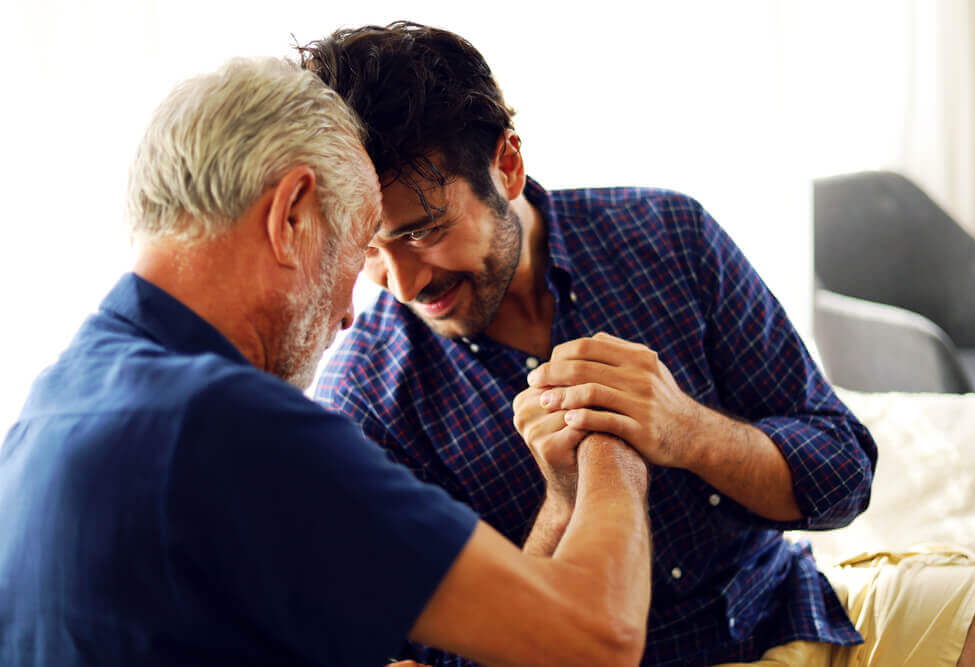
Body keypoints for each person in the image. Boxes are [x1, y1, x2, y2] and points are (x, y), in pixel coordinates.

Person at [303, 22, 975, 667]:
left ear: (506, 165)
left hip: (795, 613)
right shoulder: (365, 398)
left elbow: (843, 471)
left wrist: (685, 430)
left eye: (423, 230)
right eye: (369, 246)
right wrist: (562, 503)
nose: (400, 282)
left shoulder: (667, 234)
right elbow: (437, 655)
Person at [0, 57, 655, 667]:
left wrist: (565, 498)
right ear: (291, 216)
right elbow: (599, 639)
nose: (352, 310)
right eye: (359, 245)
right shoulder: (231, 427)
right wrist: (613, 436)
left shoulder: (48, 408)